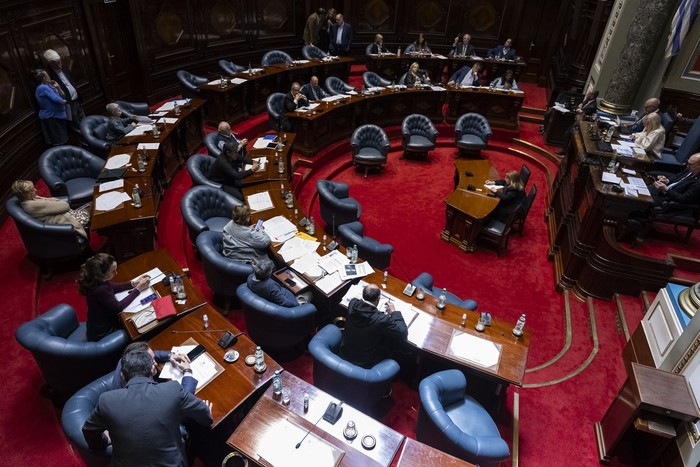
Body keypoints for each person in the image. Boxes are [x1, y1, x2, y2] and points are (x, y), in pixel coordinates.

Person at [82, 348, 212, 467]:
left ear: (122, 375)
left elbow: (88, 430)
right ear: (151, 369)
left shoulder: (106, 400)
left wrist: (104, 440)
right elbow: (205, 417)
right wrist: (205, 412)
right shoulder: (172, 389)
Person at [78, 253, 151, 342]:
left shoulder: (96, 279)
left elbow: (113, 287)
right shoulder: (100, 289)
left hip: (98, 325)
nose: (116, 273)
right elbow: (118, 307)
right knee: (141, 328)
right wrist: (138, 289)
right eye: (113, 271)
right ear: (102, 273)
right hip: (104, 333)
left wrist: (133, 283)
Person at [625, 153, 700, 240]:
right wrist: (667, 180)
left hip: (671, 202)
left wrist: (666, 189)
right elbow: (677, 178)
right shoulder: (691, 169)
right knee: (638, 189)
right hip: (664, 192)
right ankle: (629, 216)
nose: (688, 165)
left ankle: (632, 224)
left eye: (691, 164)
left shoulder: (698, 183)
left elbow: (683, 199)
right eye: (688, 162)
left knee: (641, 199)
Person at [340, 284, 408, 369]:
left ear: (363, 295)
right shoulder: (381, 319)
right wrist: (394, 312)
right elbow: (403, 332)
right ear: (378, 299)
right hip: (364, 362)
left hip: (345, 353)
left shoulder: (352, 303)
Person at [11, 180, 88, 238]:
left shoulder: (31, 199)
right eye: (31, 190)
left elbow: (53, 201)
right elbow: (65, 206)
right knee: (94, 208)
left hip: (68, 216)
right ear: (24, 194)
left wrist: (55, 202)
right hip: (66, 223)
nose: (36, 190)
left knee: (93, 205)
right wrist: (56, 201)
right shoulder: (31, 205)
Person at [111, 342, 197, 394]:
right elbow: (183, 399)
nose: (155, 363)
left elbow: (151, 353)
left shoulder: (127, 359)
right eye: (152, 361)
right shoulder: (148, 392)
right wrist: (187, 371)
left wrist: (170, 355)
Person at [43, 49, 84, 133]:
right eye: (56, 64)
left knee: (85, 122)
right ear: (49, 62)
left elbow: (70, 82)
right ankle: (86, 144)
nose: (59, 65)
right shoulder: (47, 74)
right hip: (67, 104)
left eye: (59, 62)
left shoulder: (64, 66)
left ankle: (93, 140)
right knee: (77, 127)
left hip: (76, 100)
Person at [555, 90, 599, 155]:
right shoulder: (588, 100)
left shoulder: (592, 106)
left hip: (581, 124)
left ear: (592, 96)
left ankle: (564, 152)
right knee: (567, 133)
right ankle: (565, 150)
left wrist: (580, 110)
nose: (587, 94)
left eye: (589, 94)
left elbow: (583, 113)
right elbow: (580, 107)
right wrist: (579, 109)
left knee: (568, 134)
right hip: (577, 120)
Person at [33, 68, 69, 146]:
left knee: (63, 137)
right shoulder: (43, 87)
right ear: (43, 78)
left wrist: (58, 87)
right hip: (52, 117)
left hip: (58, 116)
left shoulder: (49, 85)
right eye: (47, 75)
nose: (49, 76)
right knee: (60, 140)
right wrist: (64, 101)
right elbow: (58, 100)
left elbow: (63, 95)